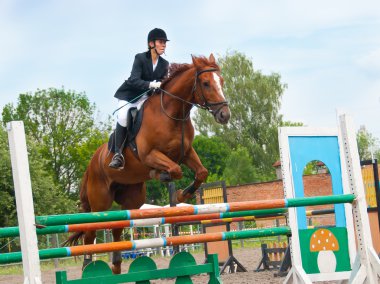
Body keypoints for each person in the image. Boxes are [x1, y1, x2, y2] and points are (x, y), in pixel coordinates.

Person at [109, 28, 170, 169]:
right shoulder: (140, 58)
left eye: (165, 43)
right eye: (161, 42)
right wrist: (151, 84)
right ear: (151, 44)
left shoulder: (164, 64)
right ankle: (118, 154)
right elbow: (134, 80)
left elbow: (163, 83)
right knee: (123, 116)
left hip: (145, 97)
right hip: (129, 95)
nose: (164, 45)